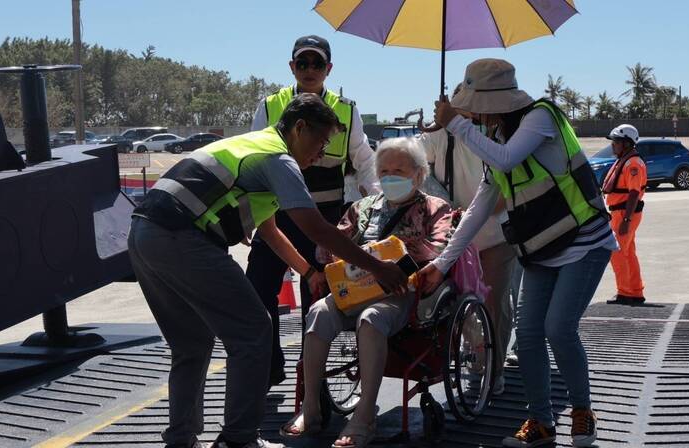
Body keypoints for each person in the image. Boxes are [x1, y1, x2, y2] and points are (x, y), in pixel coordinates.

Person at [128, 94, 407, 448]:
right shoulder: (278, 158)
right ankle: (240, 439)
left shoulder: (251, 146)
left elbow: (271, 231)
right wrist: (378, 268)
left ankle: (181, 439)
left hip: (143, 233)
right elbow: (315, 227)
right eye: (320, 143)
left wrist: (308, 273)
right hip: (182, 236)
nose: (321, 155)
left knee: (191, 343)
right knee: (254, 330)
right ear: (299, 128)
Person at [421, 58, 617, 448]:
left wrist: (454, 122)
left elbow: (508, 159)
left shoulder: (540, 118)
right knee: (527, 337)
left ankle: (582, 411)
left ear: (497, 101)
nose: (474, 114)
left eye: (477, 106)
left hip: (584, 243)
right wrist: (442, 263)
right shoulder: (497, 143)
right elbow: (478, 209)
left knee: (558, 328)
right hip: (542, 248)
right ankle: (540, 421)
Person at [280, 138, 453, 448]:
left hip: (401, 293)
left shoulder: (434, 208)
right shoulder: (362, 207)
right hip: (353, 289)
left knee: (372, 317)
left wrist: (394, 251)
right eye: (384, 170)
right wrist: (348, 258)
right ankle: (311, 408)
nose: (390, 177)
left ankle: (364, 417)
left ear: (419, 173)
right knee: (318, 311)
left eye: (399, 170)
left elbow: (440, 248)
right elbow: (326, 248)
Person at [247, 35, 380, 387]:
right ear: (291, 67)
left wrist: (379, 202)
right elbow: (254, 161)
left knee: (318, 302)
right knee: (258, 293)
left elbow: (365, 164)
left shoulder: (347, 110)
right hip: (275, 220)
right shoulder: (269, 105)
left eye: (316, 64)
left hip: (323, 224)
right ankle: (267, 369)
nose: (309, 70)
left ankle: (312, 382)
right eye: (302, 63)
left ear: (328, 69)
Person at [418, 85, 516, 394]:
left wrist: (486, 209)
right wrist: (444, 206)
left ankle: (494, 367)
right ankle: (477, 359)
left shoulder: (500, 133)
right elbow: (419, 168)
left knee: (495, 302)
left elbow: (505, 185)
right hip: (454, 235)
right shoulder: (437, 133)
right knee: (460, 302)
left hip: (497, 234)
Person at [603, 125, 648, 306]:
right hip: (619, 213)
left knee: (618, 253)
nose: (613, 145)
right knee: (628, 253)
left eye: (616, 142)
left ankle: (625, 293)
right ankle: (635, 292)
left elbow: (634, 193)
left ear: (627, 144)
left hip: (625, 213)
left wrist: (626, 220)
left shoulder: (633, 163)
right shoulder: (625, 160)